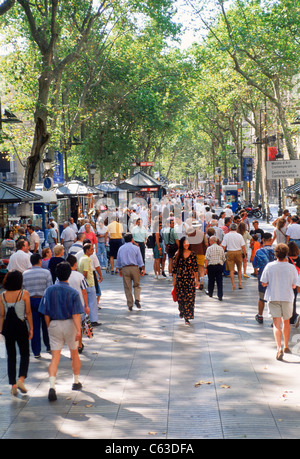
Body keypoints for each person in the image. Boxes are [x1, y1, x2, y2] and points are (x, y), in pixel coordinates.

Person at [38, 262, 84, 401]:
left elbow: (44, 312)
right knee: (74, 354)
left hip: (54, 324)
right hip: (70, 324)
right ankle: (76, 381)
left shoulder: (49, 291)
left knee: (55, 357)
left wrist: (49, 325)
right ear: (69, 275)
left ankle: (52, 386)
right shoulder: (73, 292)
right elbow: (76, 314)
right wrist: (79, 331)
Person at [261, 243, 298, 360]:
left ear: (275, 254)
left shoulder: (269, 266)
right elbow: (294, 285)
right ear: (286, 254)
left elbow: (263, 282)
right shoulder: (291, 267)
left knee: (276, 324)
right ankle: (286, 346)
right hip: (287, 297)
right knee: (286, 322)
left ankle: (278, 348)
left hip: (273, 296)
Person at [0, 270, 33, 395]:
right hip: (21, 325)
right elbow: (28, 312)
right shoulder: (24, 294)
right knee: (24, 353)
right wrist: (32, 328)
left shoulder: (2, 295)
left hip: (8, 327)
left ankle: (13, 384)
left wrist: (0, 330)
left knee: (11, 355)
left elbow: (2, 315)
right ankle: (21, 379)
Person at [23, 253, 53, 358]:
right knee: (46, 325)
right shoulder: (46, 273)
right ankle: (49, 346)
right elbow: (50, 289)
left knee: (34, 326)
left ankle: (36, 351)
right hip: (43, 300)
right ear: (40, 261)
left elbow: (23, 290)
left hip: (30, 301)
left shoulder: (25, 274)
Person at [172, 237, 199, 325]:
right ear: (181, 244)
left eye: (187, 243)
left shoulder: (193, 254)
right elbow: (174, 269)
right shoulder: (177, 254)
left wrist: (197, 281)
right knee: (181, 298)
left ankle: (187, 317)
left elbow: (195, 269)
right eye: (184, 243)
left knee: (190, 298)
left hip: (190, 280)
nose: (186, 245)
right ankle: (182, 311)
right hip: (180, 280)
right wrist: (174, 280)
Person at [66, 254, 90, 353]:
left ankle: (72, 345)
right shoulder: (79, 276)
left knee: (69, 326)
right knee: (78, 326)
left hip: (66, 305)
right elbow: (84, 291)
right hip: (79, 305)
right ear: (75, 264)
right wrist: (87, 305)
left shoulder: (63, 275)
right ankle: (79, 345)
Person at [116, 232, 145, 311]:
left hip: (125, 268)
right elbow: (140, 259)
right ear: (132, 239)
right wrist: (142, 268)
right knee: (137, 285)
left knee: (127, 287)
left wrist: (119, 269)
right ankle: (137, 299)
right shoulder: (136, 248)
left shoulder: (121, 248)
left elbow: (118, 260)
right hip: (135, 268)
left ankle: (130, 304)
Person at [252, 233, 275, 324]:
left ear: (263, 240)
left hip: (263, 275)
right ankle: (274, 319)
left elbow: (255, 265)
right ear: (271, 240)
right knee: (274, 297)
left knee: (262, 297)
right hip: (275, 275)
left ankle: (260, 315)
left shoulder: (259, 251)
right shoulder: (276, 250)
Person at [77, 243, 101, 327]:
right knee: (92, 302)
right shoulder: (87, 259)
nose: (93, 251)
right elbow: (85, 272)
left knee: (85, 302)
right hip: (89, 284)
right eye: (91, 249)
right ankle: (93, 320)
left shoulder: (81, 258)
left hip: (84, 284)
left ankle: (84, 320)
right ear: (87, 250)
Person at [221, 223, 246, 290]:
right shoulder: (239, 236)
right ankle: (240, 283)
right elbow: (243, 247)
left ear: (230, 228)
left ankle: (233, 284)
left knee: (231, 270)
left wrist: (222, 255)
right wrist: (245, 256)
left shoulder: (226, 235)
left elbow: (223, 246)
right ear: (236, 228)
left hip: (230, 252)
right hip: (238, 252)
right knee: (239, 269)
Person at [186, 221, 208, 290]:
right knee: (201, 268)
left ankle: (195, 282)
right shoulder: (202, 234)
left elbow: (187, 244)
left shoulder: (189, 234)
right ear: (198, 226)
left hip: (192, 254)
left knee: (193, 269)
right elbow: (206, 243)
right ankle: (201, 282)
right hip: (201, 253)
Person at [204, 235, 225, 301]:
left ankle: (210, 293)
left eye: (209, 241)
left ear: (212, 241)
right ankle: (220, 295)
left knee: (211, 280)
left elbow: (206, 259)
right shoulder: (221, 248)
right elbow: (223, 259)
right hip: (219, 266)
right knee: (219, 281)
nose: (209, 242)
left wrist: (205, 267)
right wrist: (221, 265)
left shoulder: (209, 248)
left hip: (211, 266)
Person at [287, 241, 300, 327]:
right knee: (294, 299)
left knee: (288, 299)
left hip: (289, 282)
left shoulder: (287, 259)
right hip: (297, 281)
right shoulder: (299, 259)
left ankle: (289, 315)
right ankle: (293, 316)